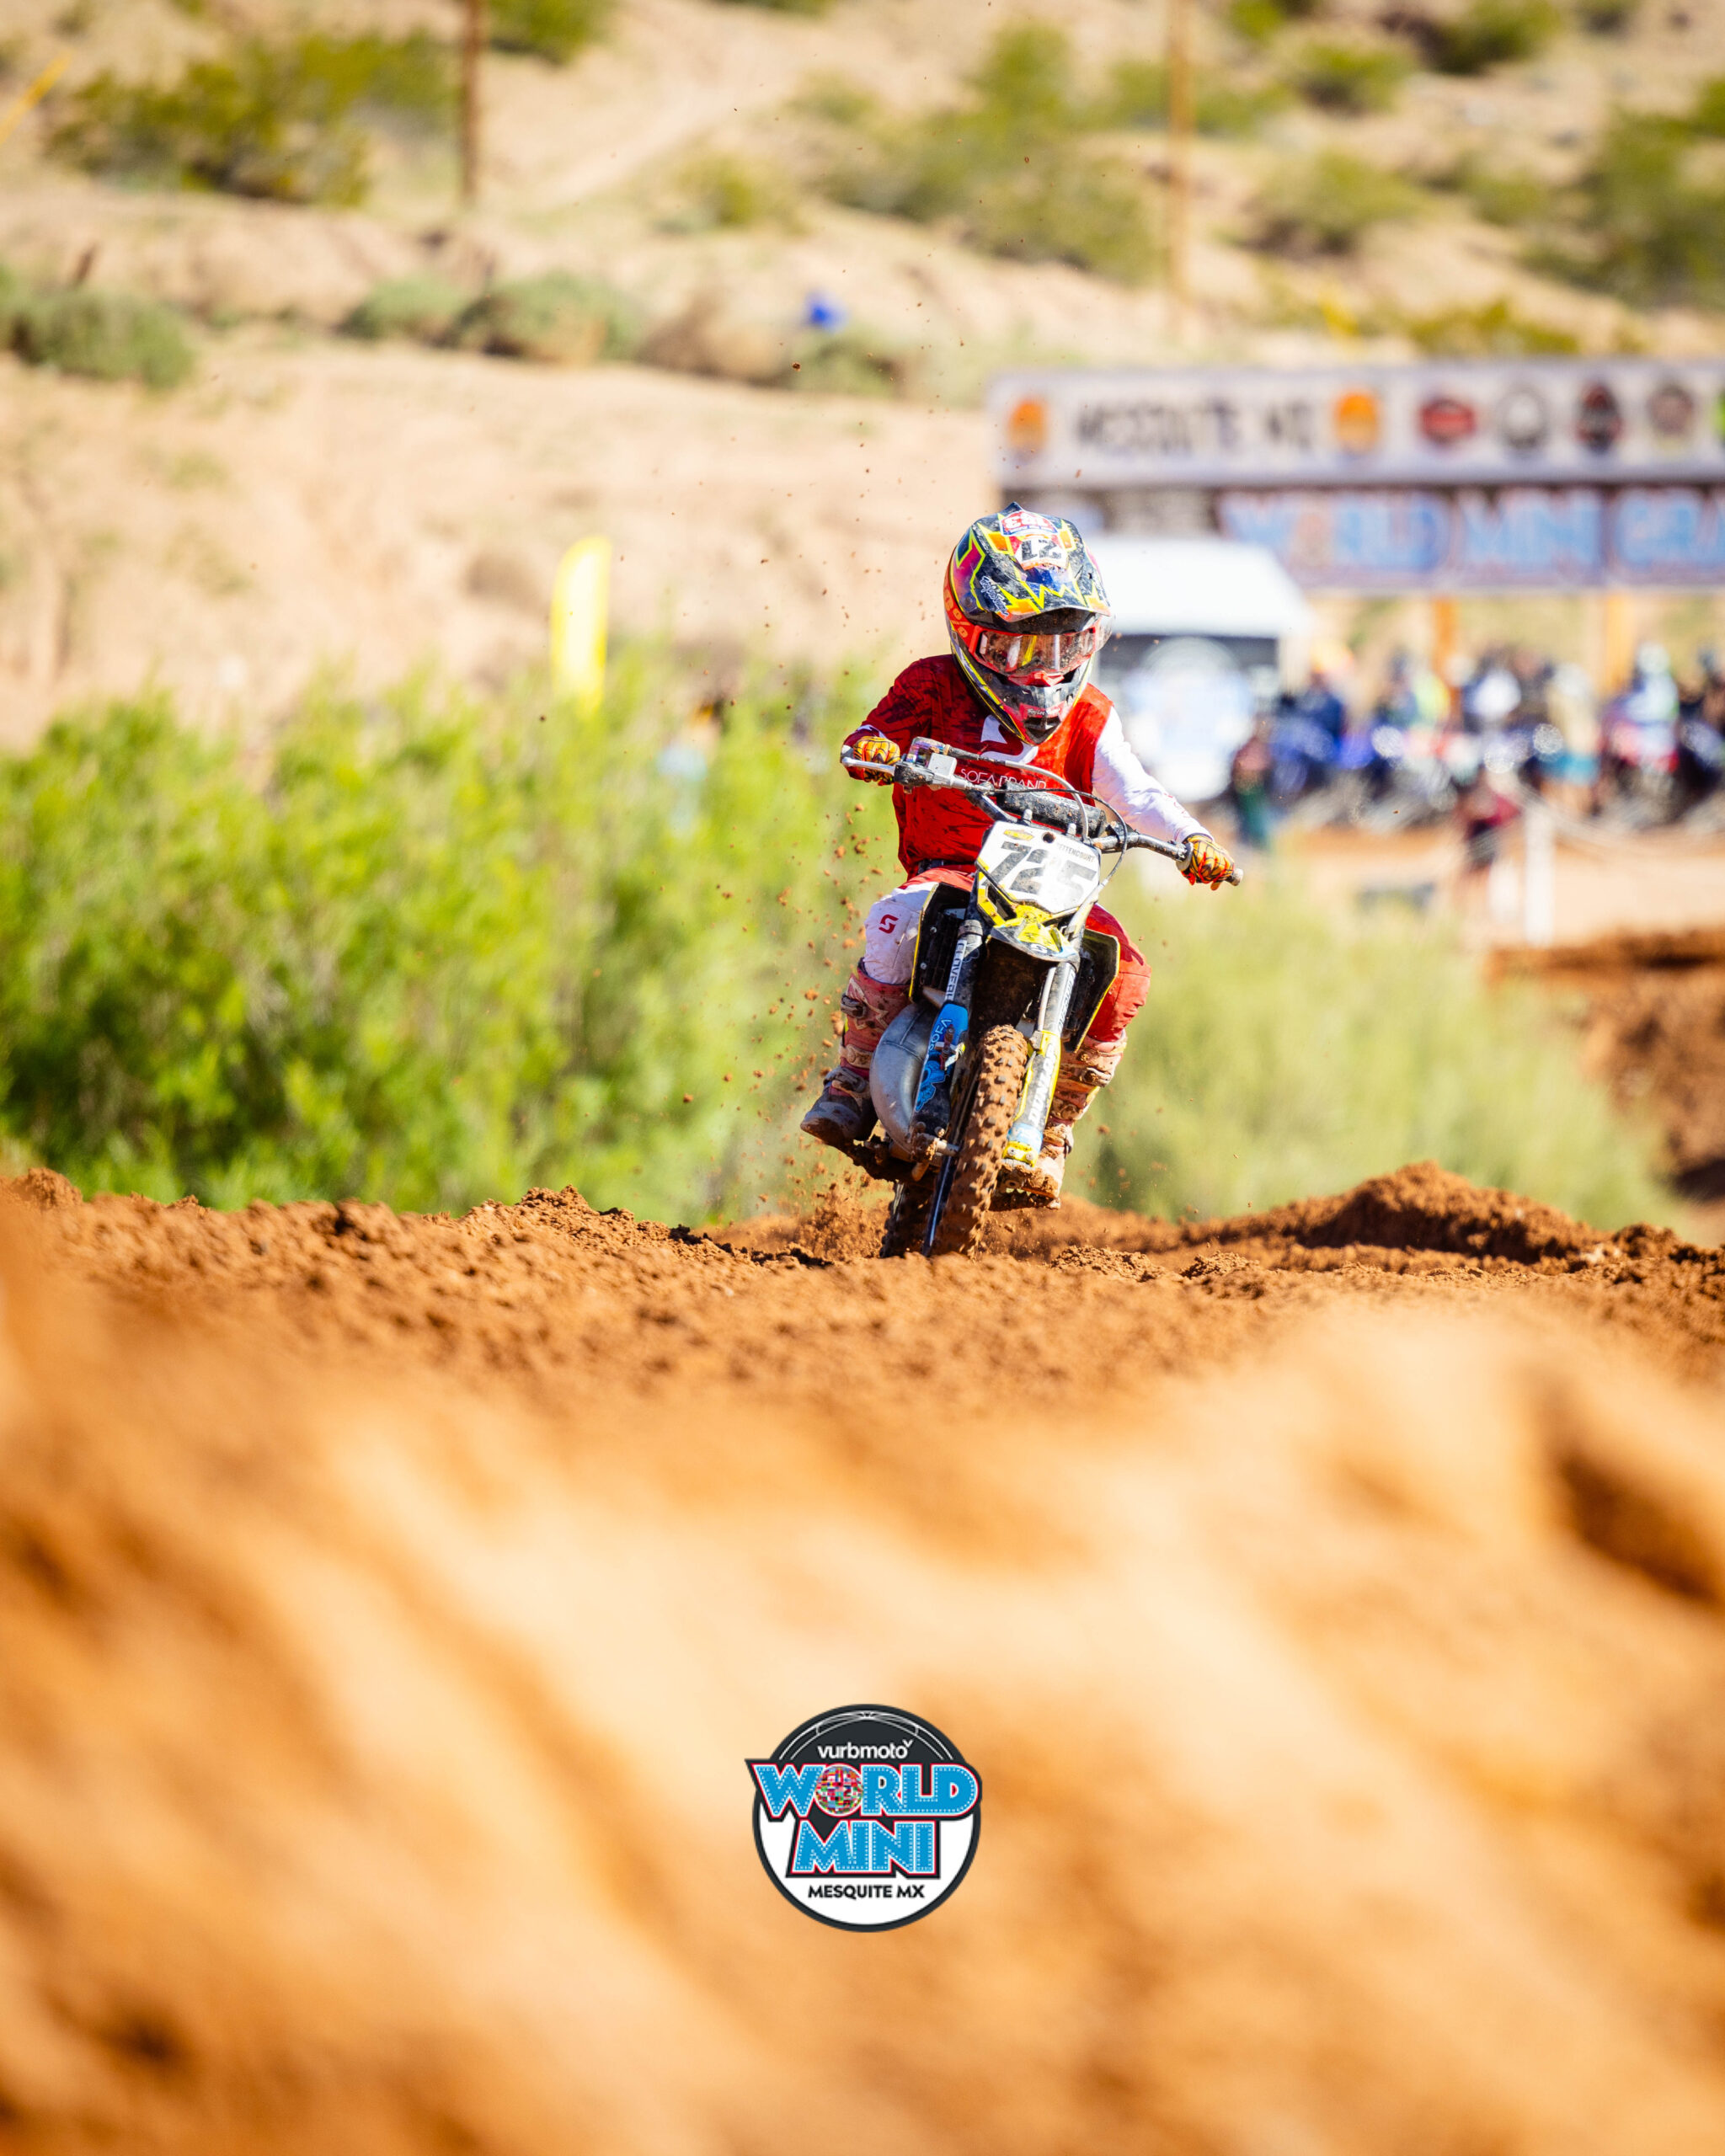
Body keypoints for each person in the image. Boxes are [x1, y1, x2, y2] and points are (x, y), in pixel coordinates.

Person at [799, 505, 1235, 1204]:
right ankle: (852, 1080)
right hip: (953, 871)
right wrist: (876, 749)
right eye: (1019, 649)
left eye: (1064, 646)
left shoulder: (1090, 715)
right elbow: (871, 738)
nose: (1044, 669)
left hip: (1053, 889)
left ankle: (1053, 1125)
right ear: (972, 636)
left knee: (1126, 976)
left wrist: (1192, 840)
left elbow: (1134, 791)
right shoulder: (931, 685)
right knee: (893, 921)